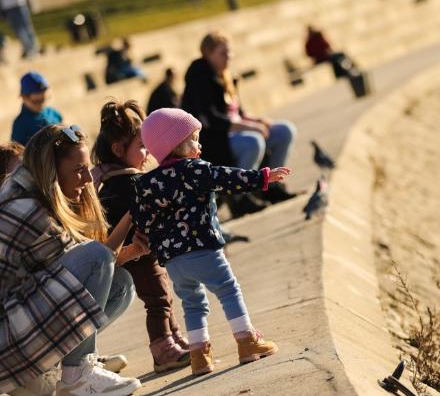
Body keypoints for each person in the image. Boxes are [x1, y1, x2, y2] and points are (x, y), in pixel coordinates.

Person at [132, 108, 288, 375]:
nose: (199, 144)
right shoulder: (195, 170)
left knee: (192, 304)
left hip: (175, 262)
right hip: (203, 249)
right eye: (194, 139)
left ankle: (200, 356)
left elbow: (143, 221)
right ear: (176, 144)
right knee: (228, 289)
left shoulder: (146, 183)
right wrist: (261, 177)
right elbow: (227, 177)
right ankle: (247, 340)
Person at [0, 124, 147, 396]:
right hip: (8, 346)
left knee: (121, 286)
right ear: (51, 170)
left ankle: (63, 368)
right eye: (79, 171)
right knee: (97, 258)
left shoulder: (35, 193)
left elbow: (91, 273)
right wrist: (132, 215)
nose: (88, 180)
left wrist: (132, 234)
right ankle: (77, 375)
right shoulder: (26, 209)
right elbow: (93, 262)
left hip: (18, 332)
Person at [92, 99, 191, 373]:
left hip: (146, 252)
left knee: (164, 297)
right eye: (141, 147)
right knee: (157, 300)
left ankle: (173, 337)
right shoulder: (124, 183)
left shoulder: (116, 179)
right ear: (118, 149)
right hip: (138, 255)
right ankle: (162, 349)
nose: (147, 153)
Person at [181, 31, 297, 215]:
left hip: (237, 132)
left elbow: (238, 113)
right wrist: (250, 127)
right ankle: (239, 196)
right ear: (208, 54)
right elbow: (211, 119)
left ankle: (272, 187)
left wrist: (258, 120)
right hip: (216, 141)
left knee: (284, 130)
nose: (229, 57)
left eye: (230, 52)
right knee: (254, 141)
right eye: (223, 53)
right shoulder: (200, 80)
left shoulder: (225, 76)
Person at [11, 71, 63, 146]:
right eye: (37, 101)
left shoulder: (53, 113)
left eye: (44, 99)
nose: (41, 104)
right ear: (24, 97)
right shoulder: (20, 125)